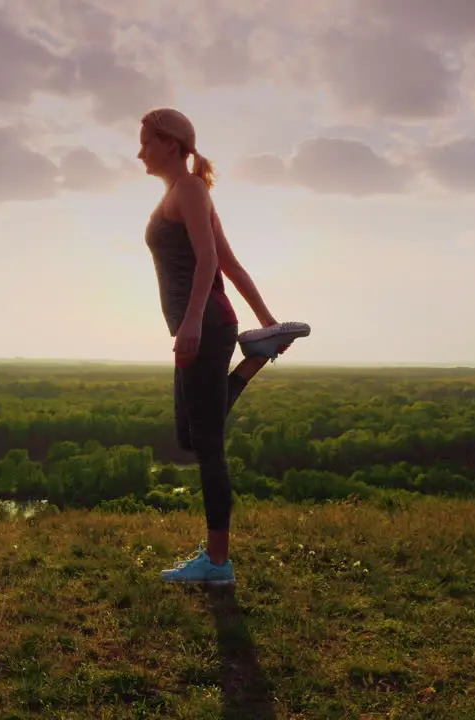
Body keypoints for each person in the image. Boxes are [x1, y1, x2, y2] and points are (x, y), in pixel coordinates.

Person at [138, 107, 285, 586]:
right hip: (202, 327)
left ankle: (218, 565)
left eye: (146, 141)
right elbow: (232, 264)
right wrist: (268, 321)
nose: (139, 151)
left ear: (172, 144)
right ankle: (257, 356)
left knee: (208, 446)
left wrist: (192, 323)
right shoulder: (183, 194)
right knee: (188, 435)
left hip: (205, 327)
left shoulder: (190, 190)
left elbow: (209, 264)